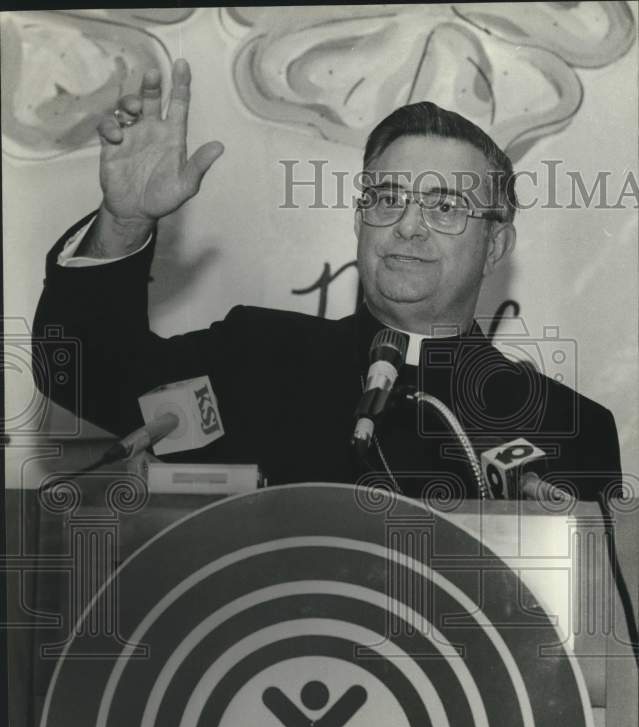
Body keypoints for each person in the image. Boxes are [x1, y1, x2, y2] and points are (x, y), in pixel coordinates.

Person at [33, 59, 622, 502]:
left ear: (495, 244)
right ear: (360, 220)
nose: (409, 226)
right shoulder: (257, 358)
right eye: (387, 198)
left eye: (445, 207)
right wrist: (125, 220)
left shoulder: (567, 427)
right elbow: (86, 373)